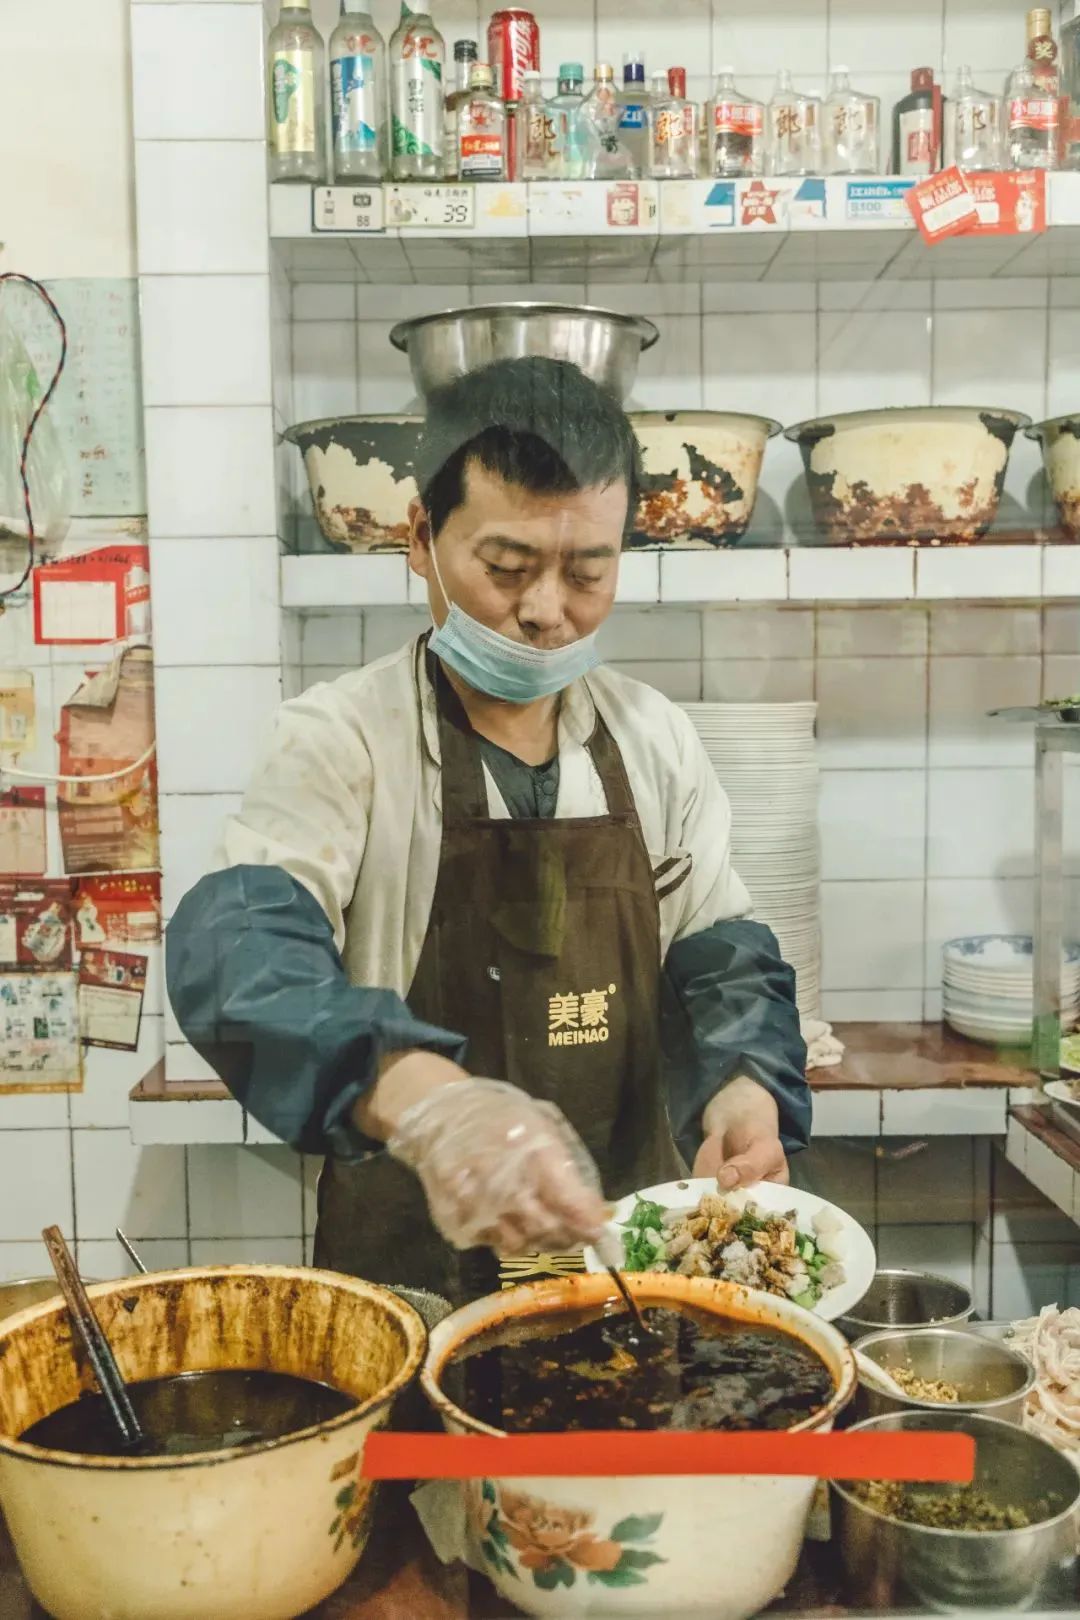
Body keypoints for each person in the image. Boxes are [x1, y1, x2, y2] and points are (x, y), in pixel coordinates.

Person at [167, 356, 810, 1302]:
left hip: (625, 1260)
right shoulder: (344, 741)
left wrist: (745, 1087)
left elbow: (718, 951)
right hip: (411, 1274)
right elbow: (240, 953)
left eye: (588, 572)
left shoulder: (653, 739)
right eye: (507, 568)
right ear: (421, 537)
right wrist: (430, 1104)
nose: (547, 612)